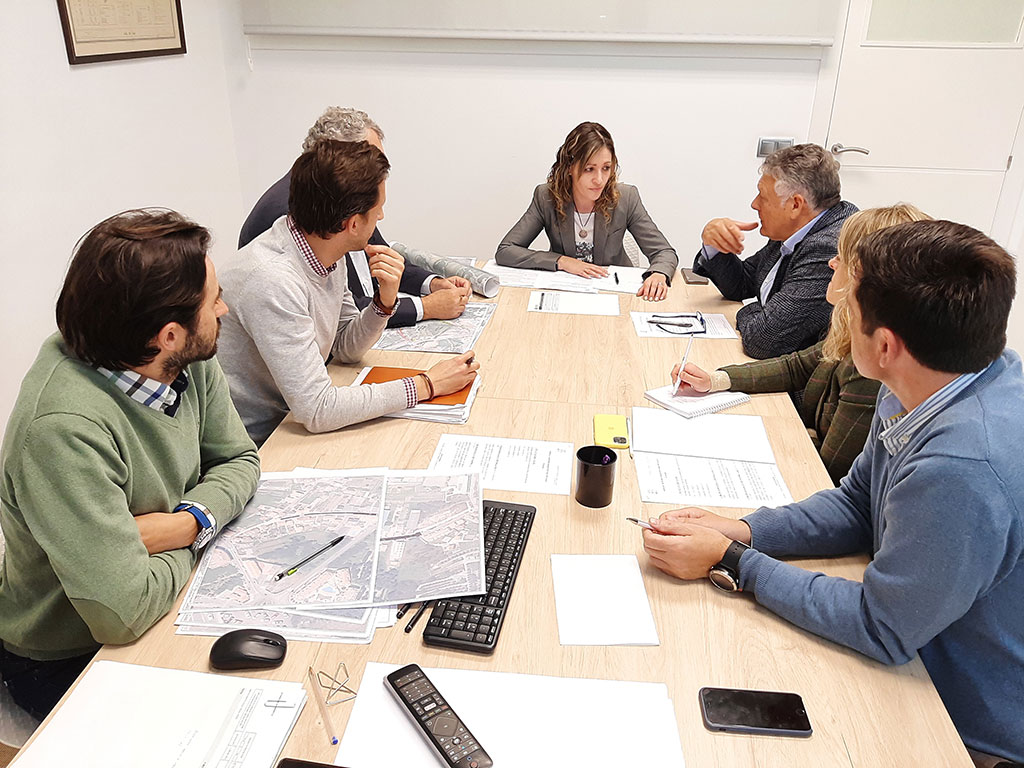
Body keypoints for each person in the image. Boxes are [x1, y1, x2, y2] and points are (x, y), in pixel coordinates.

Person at [644, 220, 1023, 765]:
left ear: (886, 346)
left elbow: (881, 626)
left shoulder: (964, 466)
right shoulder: (933, 379)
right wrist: (742, 528)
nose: (840, 308)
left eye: (853, 305)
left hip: (959, 725)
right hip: (919, 647)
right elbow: (855, 505)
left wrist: (733, 561)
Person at [0, 210, 260, 719]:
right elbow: (125, 612)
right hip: (71, 654)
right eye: (215, 301)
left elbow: (239, 458)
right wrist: (200, 534)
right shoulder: (62, 430)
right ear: (168, 334)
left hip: (168, 592)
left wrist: (186, 524)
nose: (224, 310)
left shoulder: (188, 358)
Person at [218, 139, 479, 446]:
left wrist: (384, 301)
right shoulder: (273, 280)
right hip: (259, 443)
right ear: (353, 224)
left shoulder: (325, 247)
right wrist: (426, 385)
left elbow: (345, 347)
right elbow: (318, 410)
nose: (381, 217)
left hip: (292, 420)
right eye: (379, 209)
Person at [674, 204, 929, 486]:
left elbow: (826, 476)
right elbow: (797, 365)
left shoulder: (874, 367)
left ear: (869, 279)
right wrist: (716, 380)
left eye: (841, 256)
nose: (832, 263)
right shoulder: (851, 329)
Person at [238, 106, 472, 327]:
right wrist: (425, 307)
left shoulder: (344, 195)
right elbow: (338, 315)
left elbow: (380, 257)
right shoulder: (292, 211)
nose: (381, 171)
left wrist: (433, 284)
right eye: (370, 160)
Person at [694, 143, 858, 359]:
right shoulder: (798, 228)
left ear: (795, 205)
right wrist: (713, 244)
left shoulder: (828, 247)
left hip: (796, 386)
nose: (754, 204)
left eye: (762, 196)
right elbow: (742, 284)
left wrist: (749, 310)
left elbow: (763, 341)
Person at [495, 121, 678, 301]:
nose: (599, 179)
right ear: (569, 167)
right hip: (566, 294)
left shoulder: (626, 197)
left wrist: (658, 274)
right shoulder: (546, 197)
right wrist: (561, 261)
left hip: (615, 294)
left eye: (606, 168)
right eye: (589, 169)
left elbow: (664, 252)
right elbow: (506, 250)